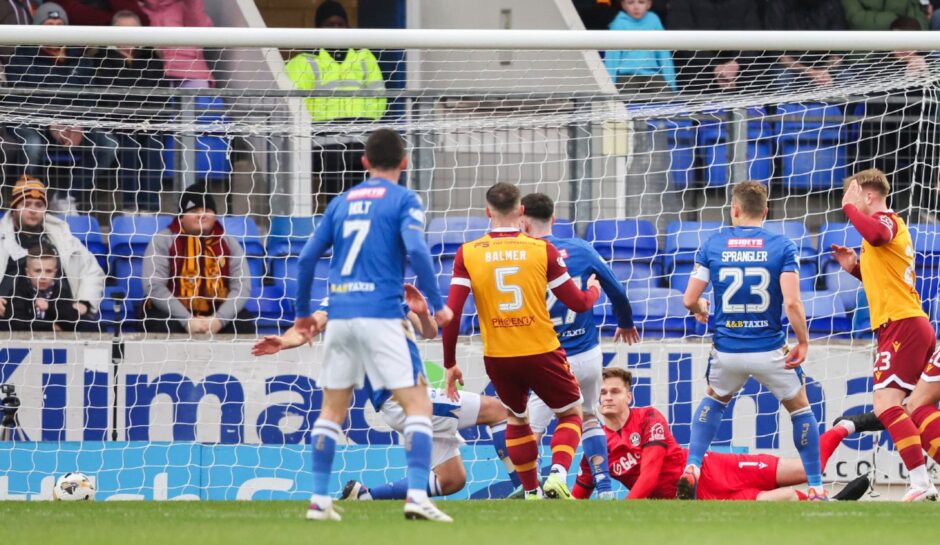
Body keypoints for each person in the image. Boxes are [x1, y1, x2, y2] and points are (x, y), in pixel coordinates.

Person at [291, 128, 453, 522]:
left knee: (332, 410)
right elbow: (416, 249)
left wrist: (302, 315)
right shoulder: (403, 199)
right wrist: (438, 304)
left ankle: (318, 501)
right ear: (405, 162)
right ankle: (416, 495)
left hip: (341, 316)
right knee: (418, 403)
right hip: (381, 314)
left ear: (364, 162)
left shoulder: (341, 201)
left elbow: (307, 258)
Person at [254, 284, 520, 501]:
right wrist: (286, 340)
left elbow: (428, 332)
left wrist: (423, 312)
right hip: (403, 399)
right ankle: (527, 490)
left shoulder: (391, 290)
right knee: (498, 411)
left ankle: (364, 498)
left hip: (408, 401)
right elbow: (309, 326)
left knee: (452, 479)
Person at [442, 182, 601, 500]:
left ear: (488, 212)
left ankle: (531, 491)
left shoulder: (468, 253)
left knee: (516, 417)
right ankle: (557, 475)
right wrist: (594, 291)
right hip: (542, 349)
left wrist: (449, 363)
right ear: (521, 211)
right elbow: (578, 303)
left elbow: (453, 313)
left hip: (499, 356)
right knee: (571, 413)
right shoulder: (543, 250)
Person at [679, 181, 825, 500]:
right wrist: (803, 341)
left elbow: (689, 298)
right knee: (800, 409)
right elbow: (792, 303)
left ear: (735, 209)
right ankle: (815, 485)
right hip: (770, 349)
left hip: (727, 349)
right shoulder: (782, 246)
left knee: (715, 398)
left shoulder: (713, 244)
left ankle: (692, 466)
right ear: (766, 211)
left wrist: (700, 308)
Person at [571, 367, 877, 501]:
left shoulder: (648, 417)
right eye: (603, 393)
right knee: (773, 502)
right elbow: (581, 491)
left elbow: (650, 474)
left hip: (716, 469)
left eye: (615, 391)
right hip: (693, 500)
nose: (607, 397)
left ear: (629, 397)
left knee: (806, 470)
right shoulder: (595, 443)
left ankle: (845, 425)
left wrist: (622, 511)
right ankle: (831, 503)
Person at [830, 168, 940, 502]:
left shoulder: (889, 221)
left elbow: (878, 234)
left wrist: (849, 209)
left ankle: (921, 482)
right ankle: (923, 481)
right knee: (916, 409)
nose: (847, 200)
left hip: (902, 324)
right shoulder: (879, 233)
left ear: (867, 193)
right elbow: (887, 280)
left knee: (886, 404)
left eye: (852, 193)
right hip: (905, 323)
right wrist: (857, 270)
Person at [519, 192, 638, 499]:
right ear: (553, 220)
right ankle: (606, 490)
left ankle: (531, 489)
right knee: (589, 417)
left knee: (531, 427)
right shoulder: (581, 250)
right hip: (586, 353)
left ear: (523, 220)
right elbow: (615, 288)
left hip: (549, 357)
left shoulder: (520, 255)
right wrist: (624, 321)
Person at [284, 0, 387, 209]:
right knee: (337, 202)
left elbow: (380, 98)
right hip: (324, 144)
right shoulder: (304, 62)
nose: (336, 30)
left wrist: (360, 123)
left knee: (362, 201)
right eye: (330, 25)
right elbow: (293, 104)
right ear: (318, 29)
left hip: (361, 140)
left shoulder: (364, 58)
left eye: (340, 24)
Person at [4, 3, 104, 211]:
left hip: (71, 124)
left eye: (60, 24)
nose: (55, 28)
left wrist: (77, 122)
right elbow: (23, 100)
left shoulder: (80, 59)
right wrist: (51, 121)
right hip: (30, 122)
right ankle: (26, 198)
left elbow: (88, 98)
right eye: (49, 24)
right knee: (31, 144)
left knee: (107, 144)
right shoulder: (20, 56)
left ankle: (68, 197)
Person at [139, 187, 256, 335]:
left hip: (216, 312)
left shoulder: (229, 243)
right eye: (194, 211)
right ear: (181, 216)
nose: (201, 215)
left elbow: (242, 287)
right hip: (173, 313)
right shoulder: (163, 240)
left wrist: (219, 320)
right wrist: (187, 320)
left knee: (243, 324)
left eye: (207, 210)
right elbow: (154, 287)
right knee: (161, 324)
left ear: (215, 215)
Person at [92, 10, 169, 212]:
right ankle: (130, 207)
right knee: (129, 142)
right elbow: (108, 97)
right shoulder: (102, 60)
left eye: (133, 31)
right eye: (123, 31)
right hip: (118, 122)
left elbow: (158, 94)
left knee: (153, 144)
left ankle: (150, 209)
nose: (128, 37)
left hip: (149, 121)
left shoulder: (151, 59)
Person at [0, 176, 105, 321]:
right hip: (9, 315)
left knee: (93, 328)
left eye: (39, 205)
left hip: (61, 316)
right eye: (27, 204)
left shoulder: (63, 237)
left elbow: (92, 271)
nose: (33, 210)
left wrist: (84, 303)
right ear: (14, 208)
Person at [667, 0, 764, 93]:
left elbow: (754, 35)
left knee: (755, 73)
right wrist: (715, 66)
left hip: (741, 65)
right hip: (700, 65)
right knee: (695, 76)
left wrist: (735, 64)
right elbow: (681, 38)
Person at [0, 243, 97, 332]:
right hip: (23, 344)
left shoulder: (61, 293)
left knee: (90, 324)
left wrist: (49, 307)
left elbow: (72, 321)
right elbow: (15, 322)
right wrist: (50, 327)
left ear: (55, 272)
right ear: (27, 272)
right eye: (38, 271)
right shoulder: (18, 292)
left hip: (58, 345)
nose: (43, 277)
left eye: (48, 271)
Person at [764, 0, 847, 89]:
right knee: (783, 78)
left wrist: (824, 70)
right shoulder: (778, 4)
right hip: (790, 66)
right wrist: (810, 72)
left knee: (847, 78)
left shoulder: (832, 4)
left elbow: (839, 51)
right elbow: (777, 53)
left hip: (825, 67)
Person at [604, 0, 677, 95]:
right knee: (624, 102)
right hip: (627, 75)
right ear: (623, 5)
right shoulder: (619, 23)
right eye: (630, 3)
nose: (636, 7)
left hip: (652, 74)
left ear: (649, 4)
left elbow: (664, 54)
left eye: (641, 2)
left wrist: (672, 85)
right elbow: (612, 59)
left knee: (667, 99)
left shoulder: (653, 20)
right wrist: (609, 88)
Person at [138, 0, 215, 88]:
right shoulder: (138, 9)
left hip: (190, 72)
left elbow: (202, 31)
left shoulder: (185, 5)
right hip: (154, 75)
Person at [842, 0, 928, 29]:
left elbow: (920, 23)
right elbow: (857, 20)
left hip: (906, 55)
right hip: (866, 57)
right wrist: (899, 20)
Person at [56, 0, 149, 26]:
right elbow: (71, 11)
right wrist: (112, 18)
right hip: (76, 47)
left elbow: (138, 17)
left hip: (119, 45)